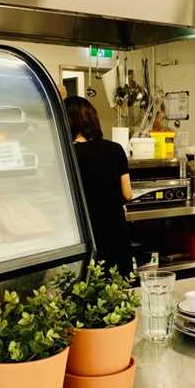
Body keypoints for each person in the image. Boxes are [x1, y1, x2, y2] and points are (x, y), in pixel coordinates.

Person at [64, 96, 133, 276]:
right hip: (116, 231)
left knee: (91, 291)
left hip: (86, 235)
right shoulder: (115, 149)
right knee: (119, 291)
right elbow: (128, 194)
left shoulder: (67, 154)